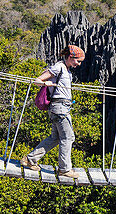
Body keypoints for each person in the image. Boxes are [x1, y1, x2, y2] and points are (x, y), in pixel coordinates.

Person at [21, 44, 84, 179]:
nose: (78, 64)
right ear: (71, 57)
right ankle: (64, 169)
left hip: (62, 107)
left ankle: (29, 160)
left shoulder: (66, 70)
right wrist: (44, 83)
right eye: (77, 61)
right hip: (59, 108)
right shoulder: (59, 67)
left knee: (55, 138)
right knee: (68, 137)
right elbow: (37, 80)